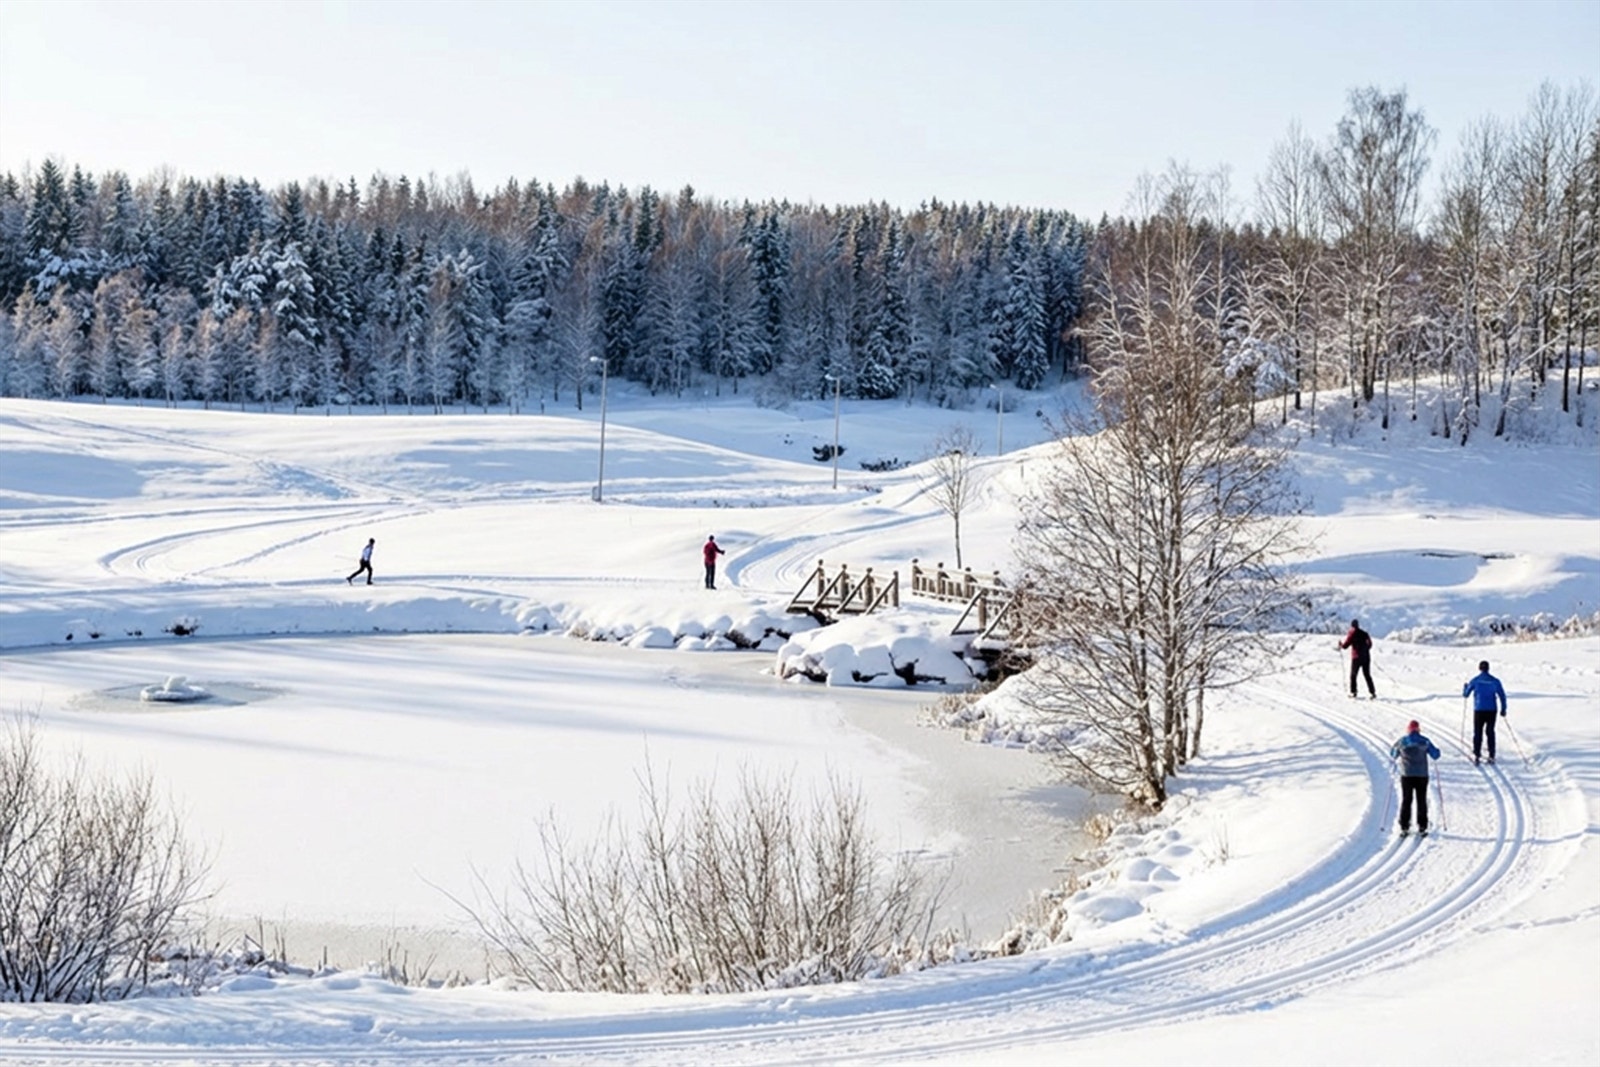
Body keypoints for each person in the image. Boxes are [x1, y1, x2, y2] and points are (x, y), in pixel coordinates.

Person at [1389, 720, 1441, 837]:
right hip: (1422, 775)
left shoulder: (1402, 741)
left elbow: (1393, 753)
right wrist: (1437, 751)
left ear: (1408, 730)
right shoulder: (1425, 741)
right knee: (1421, 799)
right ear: (1418, 730)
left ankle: (1404, 826)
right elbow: (1435, 755)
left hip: (1406, 775)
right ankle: (1422, 826)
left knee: (1406, 800)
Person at [1463, 660, 1508, 765]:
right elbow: (1502, 695)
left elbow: (1466, 694)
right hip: (1492, 710)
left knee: (1478, 732)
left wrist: (1465, 687)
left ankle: (1477, 754)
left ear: (1480, 668)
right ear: (1488, 668)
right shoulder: (1495, 681)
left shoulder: (1475, 680)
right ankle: (1491, 755)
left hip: (1479, 709)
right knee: (1490, 731)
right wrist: (1503, 709)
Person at [1339, 618, 1376, 699]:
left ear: (1352, 626)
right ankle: (1372, 692)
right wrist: (1365, 649)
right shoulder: (1365, 634)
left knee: (1353, 675)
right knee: (1367, 675)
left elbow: (1346, 645)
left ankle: (1353, 692)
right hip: (1366, 657)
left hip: (1356, 658)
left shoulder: (1352, 633)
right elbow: (1370, 645)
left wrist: (1341, 645)